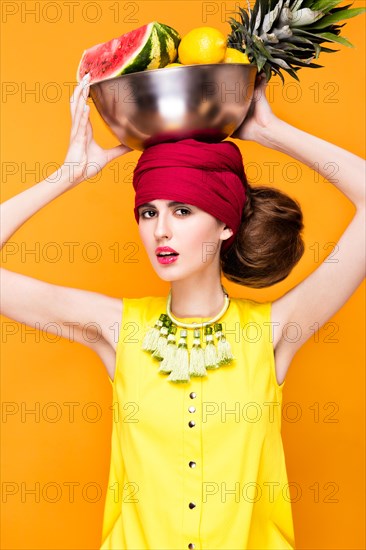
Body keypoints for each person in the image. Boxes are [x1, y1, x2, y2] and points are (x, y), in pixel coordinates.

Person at [1, 72, 364, 550]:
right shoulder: (116, 329)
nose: (161, 231)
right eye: (148, 212)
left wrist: (267, 131)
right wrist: (68, 174)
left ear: (225, 226)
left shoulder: (273, 332)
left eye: (183, 210)